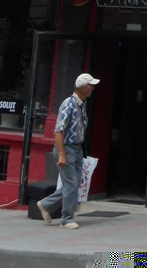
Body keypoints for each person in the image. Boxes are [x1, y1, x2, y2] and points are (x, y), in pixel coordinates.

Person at [37, 72, 99, 229]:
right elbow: (59, 131)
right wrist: (62, 154)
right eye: (91, 85)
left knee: (73, 184)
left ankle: (45, 204)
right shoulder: (68, 104)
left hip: (77, 149)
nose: (93, 88)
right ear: (83, 88)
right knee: (71, 184)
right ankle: (66, 219)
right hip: (67, 149)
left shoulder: (82, 105)